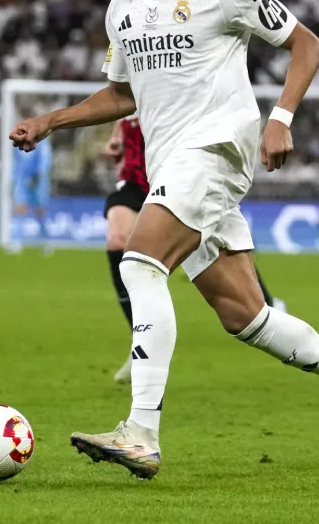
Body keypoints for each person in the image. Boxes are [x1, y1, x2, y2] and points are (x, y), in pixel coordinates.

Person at [9, 0, 319, 480]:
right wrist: (51, 121)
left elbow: (307, 45)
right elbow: (123, 94)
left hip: (216, 150)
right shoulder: (121, 11)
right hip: (172, 165)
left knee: (139, 262)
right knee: (247, 317)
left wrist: (281, 118)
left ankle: (141, 432)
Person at [104, 116, 286, 384]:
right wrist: (116, 136)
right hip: (136, 176)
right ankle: (141, 344)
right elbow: (122, 101)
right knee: (118, 241)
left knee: (214, 243)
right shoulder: (131, 89)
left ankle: (268, 305)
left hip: (178, 173)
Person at [7, 136, 53, 253]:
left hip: (38, 181)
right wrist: (14, 179)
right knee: (20, 209)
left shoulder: (42, 141)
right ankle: (17, 242)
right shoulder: (19, 141)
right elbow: (16, 162)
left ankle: (45, 241)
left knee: (40, 211)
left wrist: (38, 175)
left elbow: (45, 159)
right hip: (22, 181)